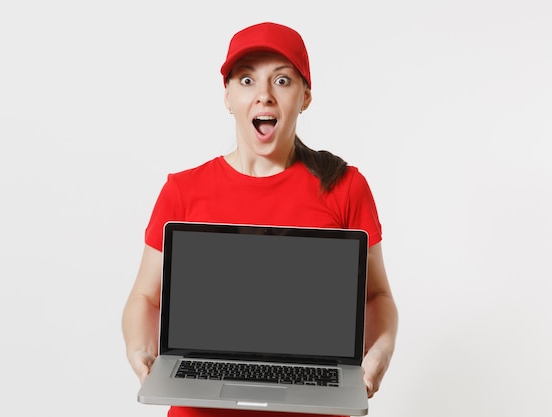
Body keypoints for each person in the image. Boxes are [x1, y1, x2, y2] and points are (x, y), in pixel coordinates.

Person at [122, 22, 398, 417]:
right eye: (248, 80)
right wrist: (139, 348)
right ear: (228, 97)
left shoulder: (345, 187)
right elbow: (146, 297)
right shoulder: (183, 190)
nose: (264, 95)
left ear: (305, 97)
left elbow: (377, 297)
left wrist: (380, 352)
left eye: (282, 80)